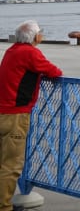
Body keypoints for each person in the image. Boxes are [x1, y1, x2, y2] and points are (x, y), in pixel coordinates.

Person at [0, 21, 63, 211]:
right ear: (36, 37)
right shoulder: (30, 53)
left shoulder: (12, 51)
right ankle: (3, 207)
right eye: (40, 33)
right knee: (11, 166)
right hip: (15, 115)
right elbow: (55, 71)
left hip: (3, 111)